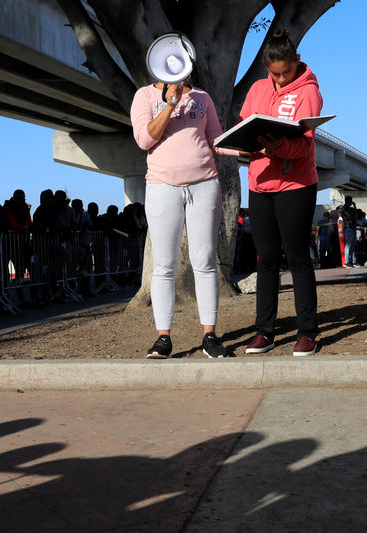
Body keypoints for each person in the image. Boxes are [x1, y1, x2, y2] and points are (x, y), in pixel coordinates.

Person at [130, 43, 239, 359]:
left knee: (205, 262)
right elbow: (144, 139)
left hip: (204, 184)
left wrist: (245, 150)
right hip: (162, 186)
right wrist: (169, 105)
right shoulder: (145, 96)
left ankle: (209, 336)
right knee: (164, 265)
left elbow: (215, 141)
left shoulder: (203, 98)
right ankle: (163, 338)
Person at [239, 30, 323, 357]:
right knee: (267, 260)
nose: (279, 78)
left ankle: (307, 333)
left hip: (296, 184)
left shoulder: (309, 92)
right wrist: (243, 148)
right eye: (273, 72)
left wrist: (280, 147)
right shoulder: (258, 88)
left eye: (285, 71)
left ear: (296, 62)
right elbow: (244, 126)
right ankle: (265, 332)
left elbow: (305, 144)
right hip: (260, 184)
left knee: (298, 256)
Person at [341, 195, 357, 267]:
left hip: (352, 228)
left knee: (352, 246)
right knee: (348, 246)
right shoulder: (344, 209)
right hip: (349, 229)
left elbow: (356, 214)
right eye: (351, 201)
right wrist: (355, 216)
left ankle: (353, 261)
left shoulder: (349, 208)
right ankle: (347, 262)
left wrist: (354, 206)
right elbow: (352, 218)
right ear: (349, 201)